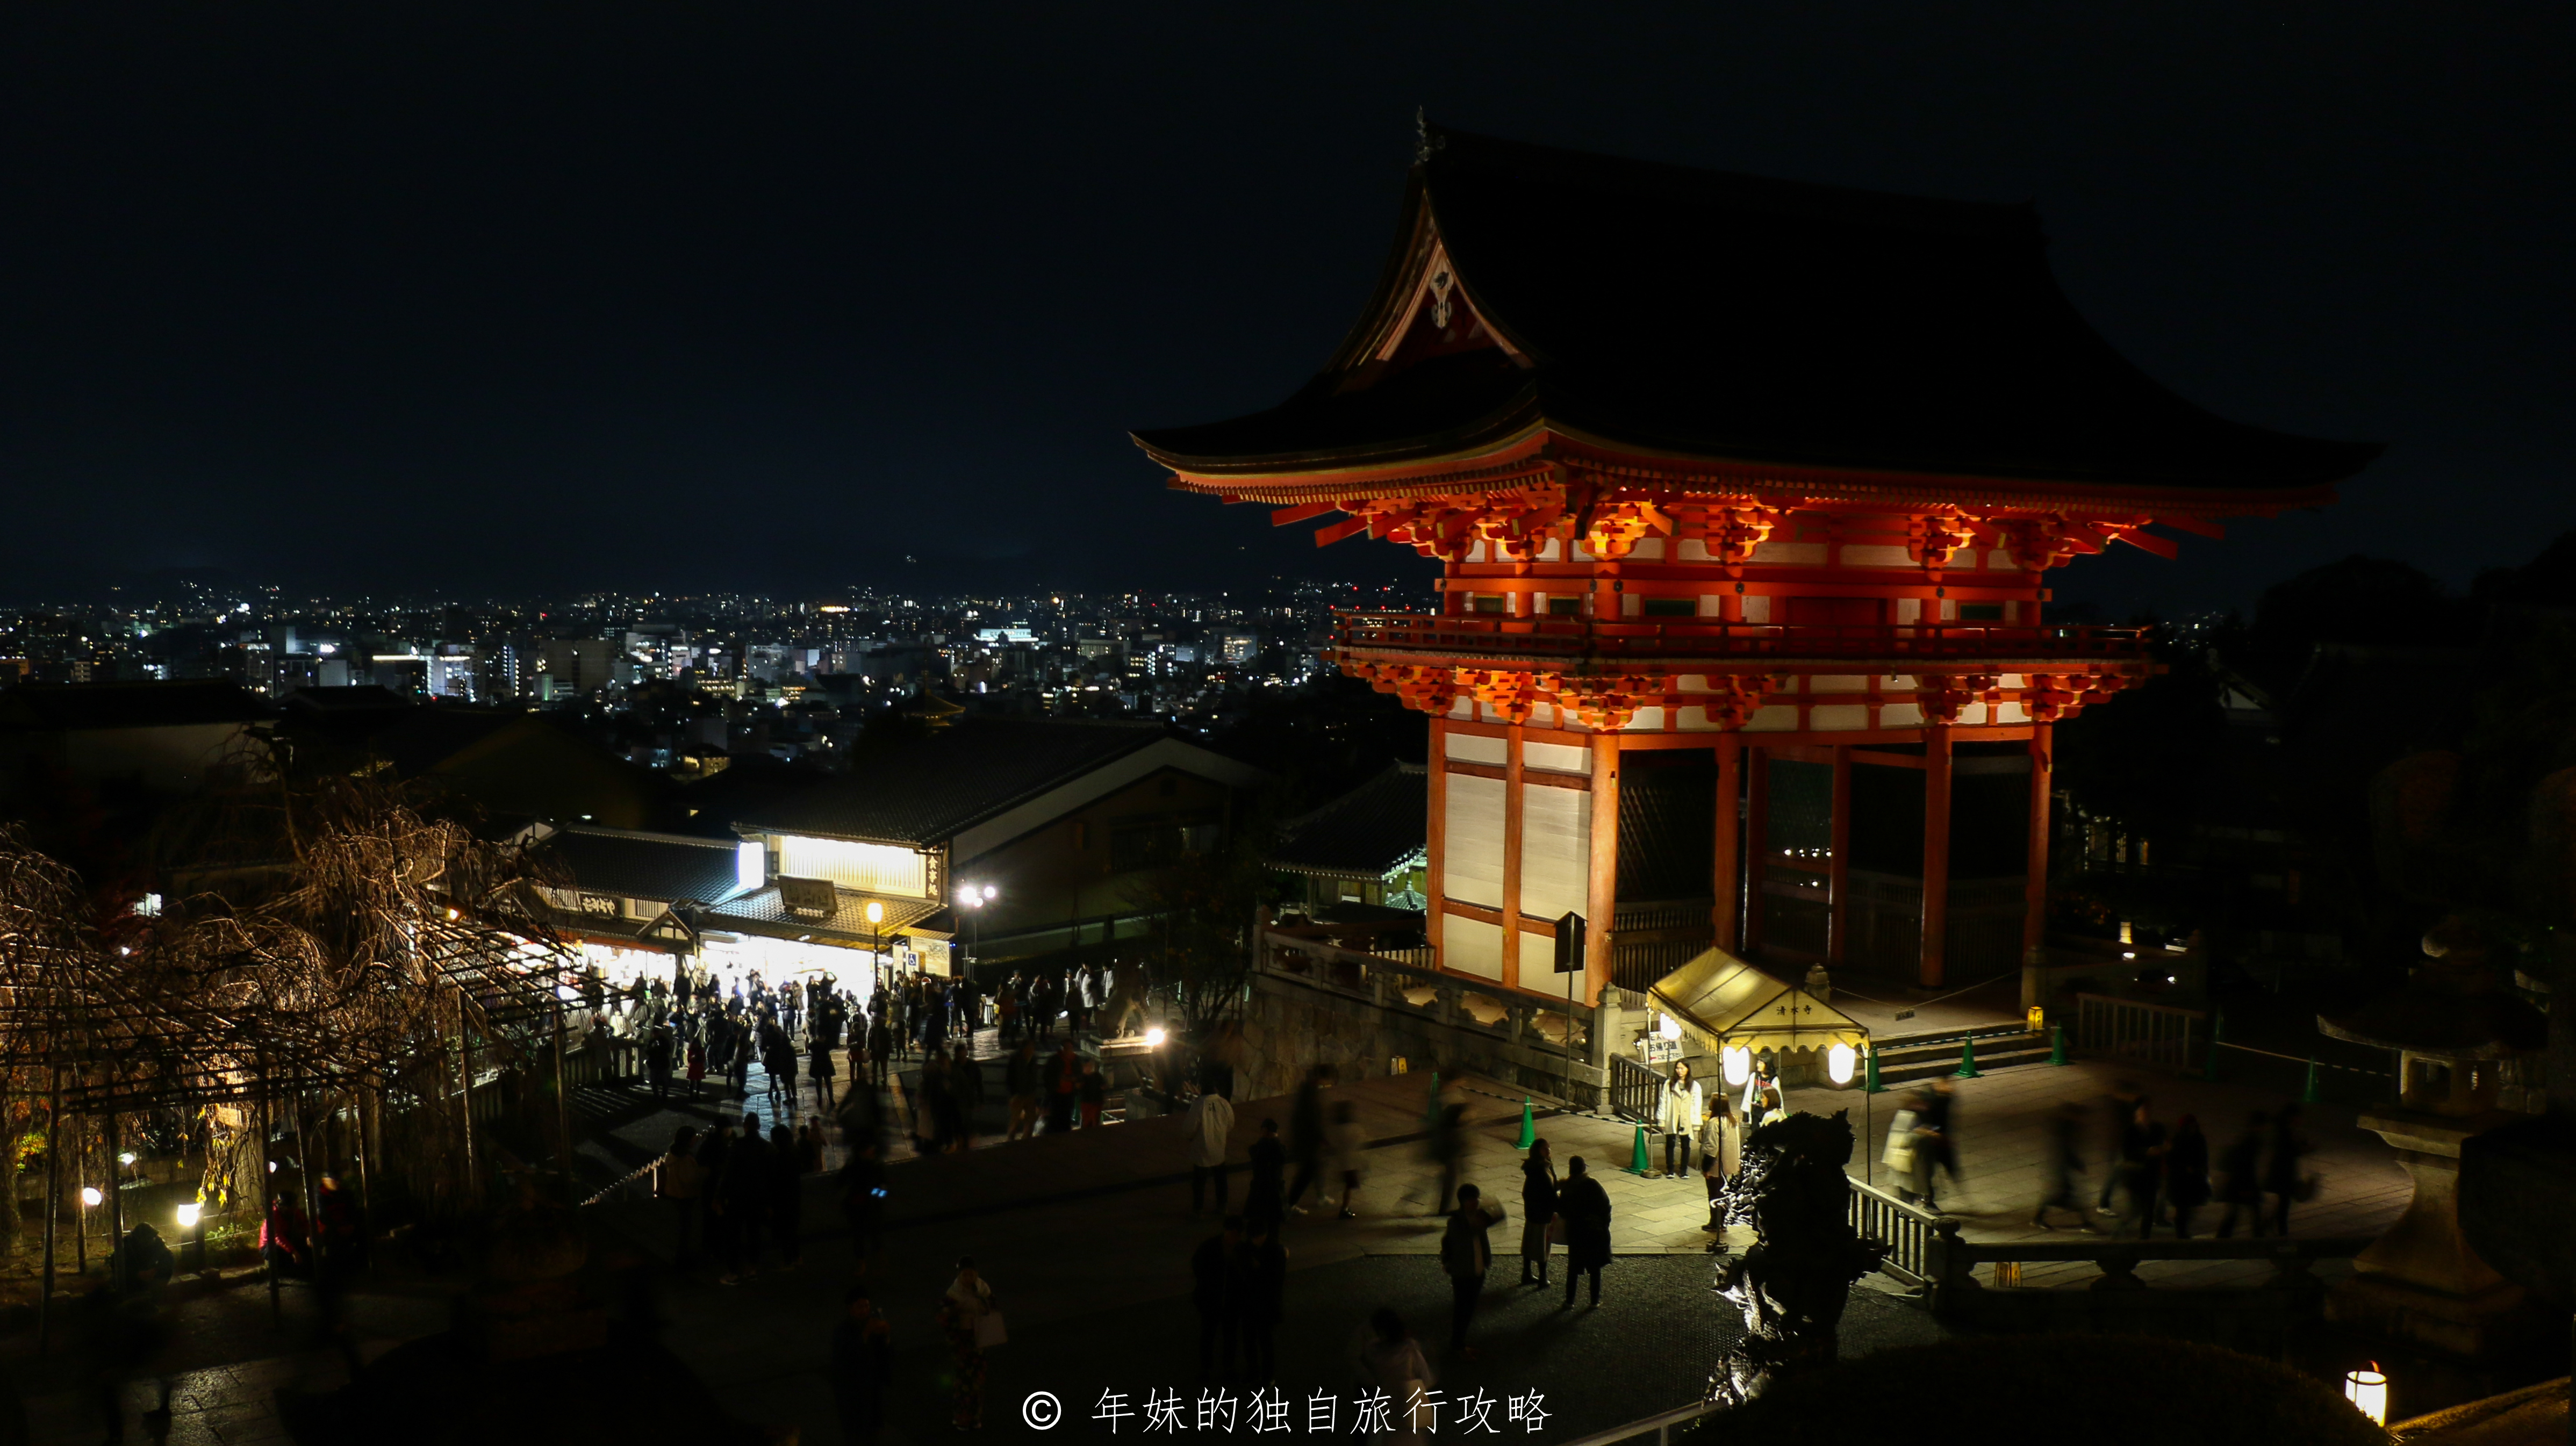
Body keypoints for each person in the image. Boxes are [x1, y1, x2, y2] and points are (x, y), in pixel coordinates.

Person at [1439, 1183, 1505, 1357]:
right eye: (1471, 1199)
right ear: (1463, 1201)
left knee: (1468, 1309)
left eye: (1477, 1198)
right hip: (1463, 1273)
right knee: (1462, 1310)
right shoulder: (1456, 1222)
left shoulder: (1477, 1217)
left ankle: (1459, 1344)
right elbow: (1464, 1236)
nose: (1475, 1202)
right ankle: (1457, 1345)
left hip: (1477, 1271)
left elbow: (1484, 1230)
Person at [1357, 1309, 1435, 1443]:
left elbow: (1367, 1379)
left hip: (1385, 1406)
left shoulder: (1372, 1354)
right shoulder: (1411, 1353)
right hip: (1409, 1407)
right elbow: (1427, 1379)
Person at [936, 1258, 996, 1431]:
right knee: (964, 1381)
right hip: (962, 1342)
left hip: (979, 1341)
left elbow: (993, 1308)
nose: (969, 1278)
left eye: (971, 1274)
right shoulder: (954, 1293)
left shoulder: (983, 1289)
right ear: (960, 1275)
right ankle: (962, 1417)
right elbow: (944, 1316)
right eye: (965, 1274)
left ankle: (975, 1417)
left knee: (977, 1381)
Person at [830, 1286, 893, 1446]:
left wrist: (886, 1336)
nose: (864, 1310)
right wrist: (866, 1333)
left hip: (872, 1386)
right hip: (853, 1391)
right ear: (850, 1309)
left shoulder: (873, 1323)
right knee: (856, 1432)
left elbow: (884, 1353)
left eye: (866, 1306)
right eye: (859, 1307)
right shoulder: (843, 1331)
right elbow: (846, 1358)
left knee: (874, 1428)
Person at [1236, 1217, 1288, 1383]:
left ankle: (1264, 1375)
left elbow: (1274, 1279)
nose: (1254, 1241)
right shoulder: (1276, 1250)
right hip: (1260, 1302)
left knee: (1263, 1341)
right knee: (1255, 1341)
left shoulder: (1268, 1250)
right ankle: (1259, 1374)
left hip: (1261, 1302)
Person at [721, 1111, 771, 1285]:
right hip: (757, 1198)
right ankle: (753, 1269)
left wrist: (720, 1197)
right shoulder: (765, 1147)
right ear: (759, 1127)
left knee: (734, 1235)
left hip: (738, 1197)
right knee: (754, 1234)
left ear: (745, 1126)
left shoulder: (737, 1145)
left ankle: (734, 1272)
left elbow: (728, 1174)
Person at [1556, 1155, 1612, 1308]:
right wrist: (1603, 1224)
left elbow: (1562, 1210)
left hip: (1575, 1232)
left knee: (1573, 1269)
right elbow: (1605, 1206)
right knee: (1595, 1268)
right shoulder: (1592, 1185)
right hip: (1593, 1232)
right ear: (1584, 1169)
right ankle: (1594, 1300)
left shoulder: (1568, 1188)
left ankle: (1570, 1300)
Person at [1190, 1216, 1243, 1380]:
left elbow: (1198, 1268)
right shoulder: (1239, 1249)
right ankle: (1225, 1368)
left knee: (1211, 1335)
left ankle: (1209, 1369)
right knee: (1223, 1335)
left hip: (1215, 1299)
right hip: (1224, 1300)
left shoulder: (1209, 1246)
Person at [2029, 1099, 2089, 1231]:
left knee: (2061, 1197)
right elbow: (2066, 1151)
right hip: (2061, 1169)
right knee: (2065, 1197)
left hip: (2060, 1168)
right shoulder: (2064, 1129)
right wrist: (2078, 1165)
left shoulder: (2065, 1126)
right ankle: (2086, 1223)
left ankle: (2038, 1218)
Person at [2213, 1111, 2270, 1238]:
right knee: (2248, 1213)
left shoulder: (2249, 1139)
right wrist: (2246, 1188)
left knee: (2237, 1213)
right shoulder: (2252, 1141)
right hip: (2242, 1184)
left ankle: (2223, 1238)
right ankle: (2257, 1238)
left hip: (2239, 1183)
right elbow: (2245, 1166)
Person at [2117, 1098, 2168, 1239]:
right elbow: (2127, 1153)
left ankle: (2144, 1238)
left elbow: (2164, 1144)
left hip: (2152, 1176)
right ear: (2136, 1113)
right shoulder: (2130, 1132)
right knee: (2136, 1210)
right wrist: (2147, 1152)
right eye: (2143, 1111)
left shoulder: (2157, 1128)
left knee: (2149, 1210)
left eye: (2148, 1110)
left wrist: (2163, 1150)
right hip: (2135, 1177)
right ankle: (2120, 1230)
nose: (2146, 1114)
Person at [1284, 1064, 1332, 1213]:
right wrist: (1322, 1137)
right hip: (1307, 1139)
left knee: (1315, 1167)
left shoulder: (1309, 1089)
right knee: (1307, 1171)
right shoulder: (1310, 1092)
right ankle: (1290, 1203)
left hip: (1306, 1137)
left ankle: (1320, 1196)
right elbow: (1311, 1118)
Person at [1183, 1084, 1236, 1211]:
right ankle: (1222, 1205)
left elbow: (1189, 1128)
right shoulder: (1224, 1104)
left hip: (1202, 1148)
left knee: (1199, 1183)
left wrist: (1190, 1137)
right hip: (1218, 1147)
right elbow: (1231, 1124)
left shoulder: (1198, 1105)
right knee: (1221, 1180)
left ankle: (1198, 1210)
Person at [2096, 1080, 2143, 1211]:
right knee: (2120, 1176)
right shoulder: (2120, 1107)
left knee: (2118, 1176)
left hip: (2123, 1146)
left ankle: (2105, 1204)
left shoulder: (2128, 1105)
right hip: (2120, 1147)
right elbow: (2124, 1129)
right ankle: (2106, 1204)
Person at [2265, 1103, 2310, 1236]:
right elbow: (2291, 1151)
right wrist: (2305, 1148)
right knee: (2284, 1205)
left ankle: (2270, 1226)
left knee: (2284, 1204)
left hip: (2285, 1174)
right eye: (2299, 1117)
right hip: (2283, 1175)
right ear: (2292, 1117)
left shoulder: (2290, 1130)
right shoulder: (2284, 1132)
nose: (2301, 1120)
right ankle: (2282, 1235)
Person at [1699, 1096, 1741, 1241]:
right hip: (1728, 1164)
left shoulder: (1714, 1123)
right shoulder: (1732, 1120)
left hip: (1717, 1165)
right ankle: (1722, 1222)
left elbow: (1711, 1147)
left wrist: (1706, 1167)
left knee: (1714, 1194)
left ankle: (1716, 1223)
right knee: (1723, 1193)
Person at [2165, 1113, 2212, 1239]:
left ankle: (2182, 1231)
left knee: (2190, 1208)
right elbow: (2172, 1160)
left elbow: (2204, 1157)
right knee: (2183, 1209)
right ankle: (2181, 1234)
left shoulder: (2198, 1139)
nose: (2192, 1128)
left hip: (2194, 1179)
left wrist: (2203, 1171)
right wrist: (2186, 1168)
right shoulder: (2178, 1140)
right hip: (2182, 1181)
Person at [1655, 1060, 1704, 1179]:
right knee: (1670, 1143)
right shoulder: (1669, 1083)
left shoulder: (1694, 1085)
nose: (1680, 1071)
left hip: (1686, 1119)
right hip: (1672, 1117)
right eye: (1678, 1068)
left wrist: (1696, 1123)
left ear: (1688, 1069)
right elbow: (1663, 1102)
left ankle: (1684, 1171)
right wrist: (1661, 1120)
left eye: (1682, 1068)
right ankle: (1670, 1169)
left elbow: (1697, 1105)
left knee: (1686, 1145)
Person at [1519, 1138, 1558, 1285]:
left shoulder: (1541, 1167)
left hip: (1533, 1212)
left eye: (1549, 1148)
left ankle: (1527, 1274)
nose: (1548, 1151)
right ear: (1538, 1151)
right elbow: (1549, 1193)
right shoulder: (1541, 1170)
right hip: (1542, 1213)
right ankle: (1543, 1277)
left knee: (1530, 1243)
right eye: (1544, 1148)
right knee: (1543, 1245)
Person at [769, 1123, 805, 1267]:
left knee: (784, 1233)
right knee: (792, 1231)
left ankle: (788, 1262)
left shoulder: (779, 1158)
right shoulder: (795, 1152)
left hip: (782, 1201)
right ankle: (797, 1258)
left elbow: (776, 1181)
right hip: (794, 1198)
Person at [1245, 1118, 1287, 1232]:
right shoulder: (1278, 1148)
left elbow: (1258, 1160)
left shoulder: (1257, 1148)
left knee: (1258, 1219)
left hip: (1261, 1187)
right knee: (1274, 1223)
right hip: (1274, 1188)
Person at [1324, 1097, 1363, 1219]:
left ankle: (1344, 1207)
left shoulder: (1336, 1129)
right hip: (1351, 1163)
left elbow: (1332, 1143)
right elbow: (1359, 1141)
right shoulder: (1354, 1128)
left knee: (1346, 1185)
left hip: (1341, 1161)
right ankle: (1345, 1208)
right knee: (1349, 1187)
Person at [1425, 1102, 1465, 1215]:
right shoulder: (1451, 1131)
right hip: (1450, 1162)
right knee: (1449, 1186)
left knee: (1449, 1186)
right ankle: (1445, 1210)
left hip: (1450, 1162)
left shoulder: (1447, 1128)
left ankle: (1445, 1209)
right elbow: (1454, 1146)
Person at [260, 1193, 310, 1276]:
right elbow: (278, 1237)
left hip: (287, 1239)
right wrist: (293, 1252)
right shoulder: (273, 1216)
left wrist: (308, 1235)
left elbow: (304, 1223)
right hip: (268, 1245)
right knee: (276, 1251)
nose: (296, 1207)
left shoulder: (294, 1211)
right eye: (294, 1205)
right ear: (286, 1207)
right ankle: (279, 1274)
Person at [1045, 1040, 1082, 1134]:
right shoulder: (1055, 1060)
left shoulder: (1076, 1060)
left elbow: (1079, 1075)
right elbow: (1048, 1075)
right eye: (1066, 1048)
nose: (1068, 1051)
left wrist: (1069, 1079)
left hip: (1070, 1093)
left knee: (1067, 1115)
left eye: (1070, 1048)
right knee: (1056, 1116)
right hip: (1057, 1093)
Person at [1077, 1056, 1107, 1128]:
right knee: (1087, 1122)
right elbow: (1078, 1088)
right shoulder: (1081, 1077)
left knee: (1095, 1121)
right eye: (1087, 1066)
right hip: (1087, 1102)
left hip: (1096, 1102)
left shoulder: (1097, 1076)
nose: (1089, 1068)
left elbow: (1103, 1086)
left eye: (1090, 1066)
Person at [809, 1031, 836, 1112]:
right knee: (828, 1082)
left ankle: (821, 1099)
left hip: (818, 1064)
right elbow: (832, 1046)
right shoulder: (826, 1043)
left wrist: (815, 1041)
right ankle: (830, 1099)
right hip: (826, 1064)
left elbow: (809, 1047)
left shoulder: (815, 1043)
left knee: (819, 1082)